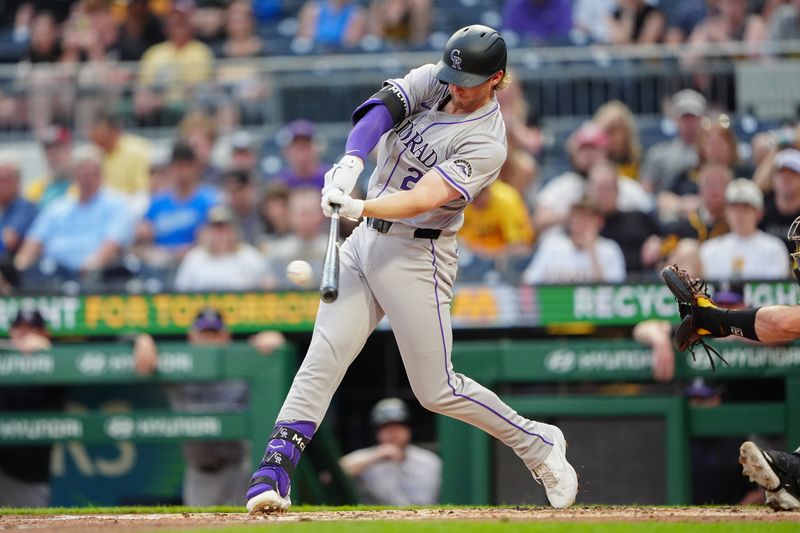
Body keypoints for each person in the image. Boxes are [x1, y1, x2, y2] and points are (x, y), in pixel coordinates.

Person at [245, 24, 577, 514]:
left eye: (470, 80)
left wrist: (362, 207)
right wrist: (351, 162)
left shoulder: (488, 142)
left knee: (436, 389)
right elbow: (379, 109)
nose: (457, 87)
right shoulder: (436, 80)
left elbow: (427, 198)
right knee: (325, 355)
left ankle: (537, 443)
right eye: (453, 76)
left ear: (497, 79)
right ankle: (273, 472)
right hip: (366, 244)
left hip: (418, 255)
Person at [134, 308, 286, 506]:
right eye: (204, 334)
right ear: (191, 336)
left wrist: (275, 338)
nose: (209, 340)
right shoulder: (176, 363)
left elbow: (275, 344)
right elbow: (120, 339)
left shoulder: (242, 360)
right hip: (200, 473)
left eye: (214, 334)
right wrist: (139, 339)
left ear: (226, 336)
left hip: (241, 470)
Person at [14, 146, 134, 281]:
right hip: (54, 272)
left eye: (91, 174)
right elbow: (35, 239)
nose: (86, 180)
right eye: (82, 174)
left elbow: (114, 241)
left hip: (98, 274)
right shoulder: (58, 207)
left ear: (101, 175)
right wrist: (19, 266)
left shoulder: (116, 203)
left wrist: (93, 264)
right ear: (74, 177)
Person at [0, 309, 63, 508]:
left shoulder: (57, 361)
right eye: (19, 328)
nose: (24, 334)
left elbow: (99, 342)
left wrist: (139, 337)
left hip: (26, 474)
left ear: (44, 334)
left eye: (32, 329)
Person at [340, 398, 441, 505]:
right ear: (377, 431)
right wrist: (376, 456)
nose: (393, 433)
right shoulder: (367, 458)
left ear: (409, 429)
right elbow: (330, 475)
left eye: (398, 426)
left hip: (425, 519)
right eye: (387, 427)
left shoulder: (430, 461)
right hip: (379, 520)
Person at [135, 142, 219, 268]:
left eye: (186, 166)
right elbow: (141, 241)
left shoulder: (209, 200)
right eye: (177, 166)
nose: (181, 171)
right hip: (159, 266)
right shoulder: (158, 202)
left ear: (195, 167)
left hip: (196, 265)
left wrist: (171, 255)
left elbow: (210, 242)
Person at [135, 0, 214, 125]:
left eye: (181, 23)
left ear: (190, 25)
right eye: (173, 22)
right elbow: (143, 85)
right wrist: (145, 98)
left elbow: (195, 88)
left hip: (188, 104)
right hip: (157, 107)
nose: (177, 26)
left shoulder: (201, 51)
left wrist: (164, 101)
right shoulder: (155, 52)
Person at [698, 178, 789, 281]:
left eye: (746, 208)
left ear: (759, 213)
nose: (739, 214)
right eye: (734, 208)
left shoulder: (774, 249)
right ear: (726, 212)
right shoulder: (709, 250)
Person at [522, 199, 627, 284]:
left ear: (598, 223)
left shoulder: (610, 249)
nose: (579, 226)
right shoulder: (552, 246)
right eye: (576, 220)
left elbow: (612, 293)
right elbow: (529, 282)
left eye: (585, 220)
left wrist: (592, 252)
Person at [173, 205, 269, 292]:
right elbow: (179, 293)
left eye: (225, 228)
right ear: (207, 231)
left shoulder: (251, 257)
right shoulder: (194, 259)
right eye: (216, 228)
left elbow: (268, 289)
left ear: (235, 230)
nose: (221, 234)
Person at [640, 89, 707, 194]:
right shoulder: (658, 154)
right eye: (685, 118)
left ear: (701, 118)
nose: (689, 123)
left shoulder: (713, 153)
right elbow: (646, 189)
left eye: (693, 117)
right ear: (675, 119)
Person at [88, 112, 151, 215]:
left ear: (115, 132)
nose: (97, 140)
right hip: (98, 207)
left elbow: (141, 190)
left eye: (102, 135)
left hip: (130, 203)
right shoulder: (92, 154)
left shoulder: (137, 149)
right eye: (95, 137)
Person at [25, 125, 75, 208]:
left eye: (58, 150)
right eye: (49, 151)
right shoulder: (36, 189)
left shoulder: (84, 185)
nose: (53, 156)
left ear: (69, 150)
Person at [760, 148, 800, 251]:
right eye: (781, 173)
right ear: (772, 178)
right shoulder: (762, 211)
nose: (786, 178)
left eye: (793, 173)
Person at [0, 152, 38, 259]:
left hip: (11, 266)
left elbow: (10, 240)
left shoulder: (26, 208)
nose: (1, 185)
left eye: (4, 179)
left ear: (17, 181)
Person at [274, 119, 330, 191]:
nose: (302, 154)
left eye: (306, 147)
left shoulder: (329, 178)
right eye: (297, 148)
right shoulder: (281, 182)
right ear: (287, 151)